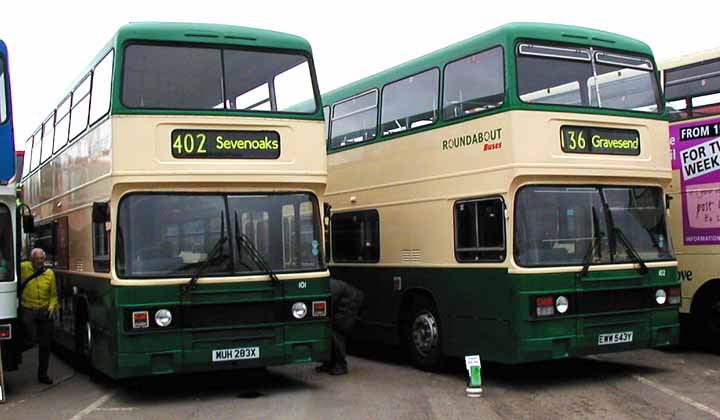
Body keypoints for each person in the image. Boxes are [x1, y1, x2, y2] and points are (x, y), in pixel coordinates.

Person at [20, 248, 58, 384]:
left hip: (44, 312)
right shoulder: (23, 268)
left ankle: (42, 375)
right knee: (29, 340)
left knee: (45, 344)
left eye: (42, 259)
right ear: (32, 259)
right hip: (28, 310)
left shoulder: (49, 274)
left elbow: (53, 295)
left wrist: (51, 307)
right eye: (37, 259)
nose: (40, 261)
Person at [316, 278, 364, 375]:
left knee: (336, 331)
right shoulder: (321, 285)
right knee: (329, 330)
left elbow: (327, 308)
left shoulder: (325, 289)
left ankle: (341, 365)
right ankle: (329, 363)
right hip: (344, 300)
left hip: (349, 301)